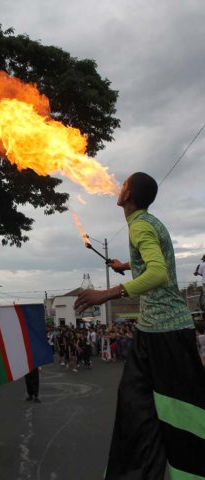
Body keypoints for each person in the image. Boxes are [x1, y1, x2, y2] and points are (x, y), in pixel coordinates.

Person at [75, 172, 205, 480]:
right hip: (154, 331)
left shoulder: (141, 226)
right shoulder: (148, 222)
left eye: (123, 185)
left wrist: (106, 294)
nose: (117, 188)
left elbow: (159, 273)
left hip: (166, 333)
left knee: (177, 413)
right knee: (136, 409)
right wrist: (127, 265)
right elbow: (154, 260)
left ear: (128, 195)